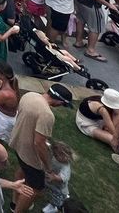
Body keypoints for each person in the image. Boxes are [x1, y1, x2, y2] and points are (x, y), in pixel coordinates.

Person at [7, 85, 71, 213]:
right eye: (63, 104)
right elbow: (39, 143)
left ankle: (14, 202)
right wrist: (47, 166)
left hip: (17, 142)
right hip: (30, 154)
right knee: (35, 188)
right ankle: (17, 211)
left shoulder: (29, 95)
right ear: (59, 101)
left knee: (22, 171)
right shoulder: (47, 115)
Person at [41, 141, 73, 213]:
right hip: (49, 182)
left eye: (56, 155)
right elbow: (49, 147)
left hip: (58, 187)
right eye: (55, 154)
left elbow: (63, 178)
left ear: (64, 156)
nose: (55, 156)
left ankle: (54, 207)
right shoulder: (56, 158)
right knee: (44, 186)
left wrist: (54, 177)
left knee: (57, 199)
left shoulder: (66, 167)